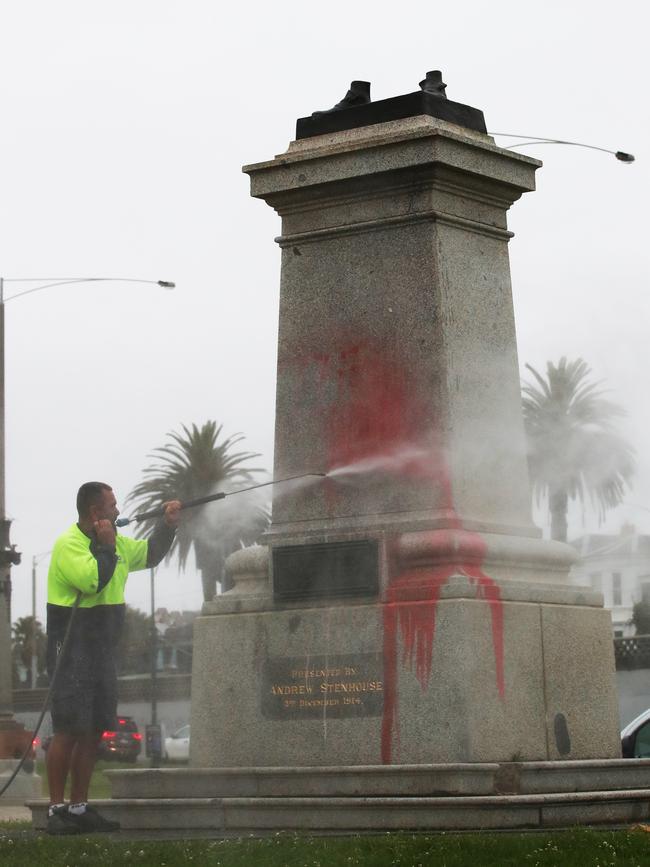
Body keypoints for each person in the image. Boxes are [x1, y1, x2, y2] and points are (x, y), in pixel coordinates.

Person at [45, 482, 181, 835]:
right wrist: (106, 548)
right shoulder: (69, 545)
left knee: (92, 730)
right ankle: (56, 810)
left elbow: (150, 555)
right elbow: (93, 581)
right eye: (112, 505)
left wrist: (168, 526)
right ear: (96, 513)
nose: (118, 510)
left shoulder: (117, 543)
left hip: (102, 650)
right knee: (67, 730)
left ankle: (79, 807)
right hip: (71, 649)